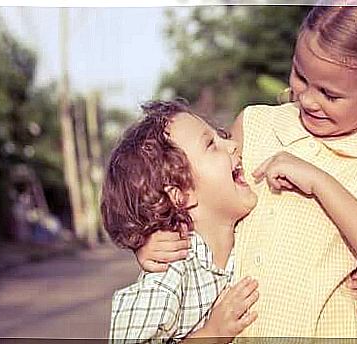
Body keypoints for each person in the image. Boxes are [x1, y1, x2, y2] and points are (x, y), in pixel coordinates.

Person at [136, 5, 357, 339]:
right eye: (300, 76)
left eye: (330, 94)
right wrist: (154, 242)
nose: (309, 100)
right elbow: (199, 202)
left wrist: (320, 182)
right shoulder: (256, 124)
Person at [103, 99, 259, 343]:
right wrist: (211, 335)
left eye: (222, 136)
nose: (233, 145)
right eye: (211, 144)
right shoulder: (169, 274)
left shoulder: (251, 234)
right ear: (181, 195)